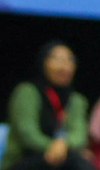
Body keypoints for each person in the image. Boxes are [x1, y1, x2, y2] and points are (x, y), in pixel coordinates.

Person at [1, 41, 93, 170]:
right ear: (43, 62)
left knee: (82, 162)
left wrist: (63, 145)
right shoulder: (27, 92)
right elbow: (27, 134)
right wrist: (54, 147)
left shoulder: (76, 99)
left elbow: (79, 134)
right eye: (57, 59)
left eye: (70, 60)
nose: (64, 66)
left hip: (62, 156)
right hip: (25, 159)